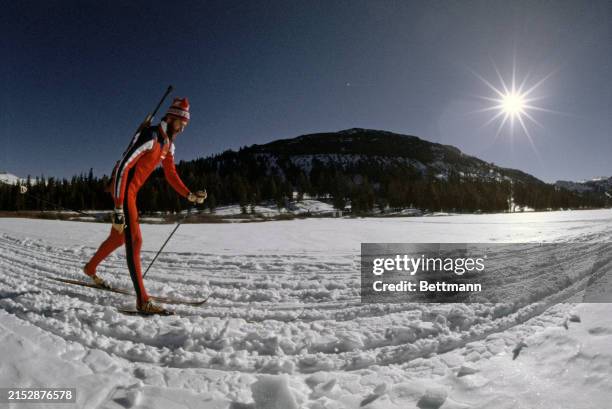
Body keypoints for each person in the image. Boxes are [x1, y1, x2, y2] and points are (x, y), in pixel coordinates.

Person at [83, 97, 206, 314]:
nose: (184, 129)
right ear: (172, 118)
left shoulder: (167, 144)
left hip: (132, 193)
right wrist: (119, 208)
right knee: (135, 241)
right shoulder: (151, 135)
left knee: (119, 237)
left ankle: (90, 268)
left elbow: (170, 174)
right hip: (124, 191)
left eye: (186, 125)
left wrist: (189, 195)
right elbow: (123, 167)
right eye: (182, 124)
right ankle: (143, 302)